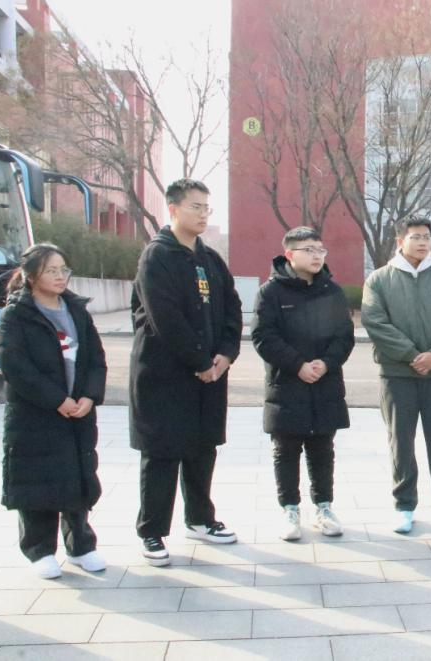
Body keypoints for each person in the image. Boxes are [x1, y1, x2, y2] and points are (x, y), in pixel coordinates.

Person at [129, 178, 243, 566]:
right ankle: (152, 531)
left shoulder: (210, 259)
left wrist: (225, 354)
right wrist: (201, 362)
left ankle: (200, 519)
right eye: (196, 206)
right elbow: (165, 318)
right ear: (173, 209)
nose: (203, 214)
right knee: (162, 452)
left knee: (202, 448)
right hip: (165, 375)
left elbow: (232, 308)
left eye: (206, 207)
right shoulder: (157, 256)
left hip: (210, 374)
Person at [0, 244, 107, 579]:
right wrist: (57, 399)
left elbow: (95, 358)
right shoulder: (17, 315)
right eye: (51, 271)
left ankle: (81, 545)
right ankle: (40, 549)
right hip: (36, 415)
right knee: (38, 480)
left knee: (78, 477)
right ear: (31, 276)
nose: (60, 277)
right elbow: (15, 365)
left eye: (63, 270)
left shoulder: (76, 310)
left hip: (77, 412)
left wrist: (89, 395)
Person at [362, 217, 431, 534]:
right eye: (415, 237)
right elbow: (375, 323)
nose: (423, 242)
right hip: (397, 376)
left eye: (427, 237)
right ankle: (404, 506)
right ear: (401, 241)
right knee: (401, 443)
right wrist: (411, 355)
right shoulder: (379, 280)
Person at [252, 226, 355, 541]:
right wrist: (297, 365)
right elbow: (263, 337)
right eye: (308, 250)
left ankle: (324, 507)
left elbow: (344, 335)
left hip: (325, 383)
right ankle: (290, 510)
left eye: (320, 249)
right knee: (286, 449)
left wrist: (326, 363)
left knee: (322, 448)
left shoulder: (332, 291)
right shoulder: (271, 292)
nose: (316, 255)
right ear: (289, 254)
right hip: (287, 384)